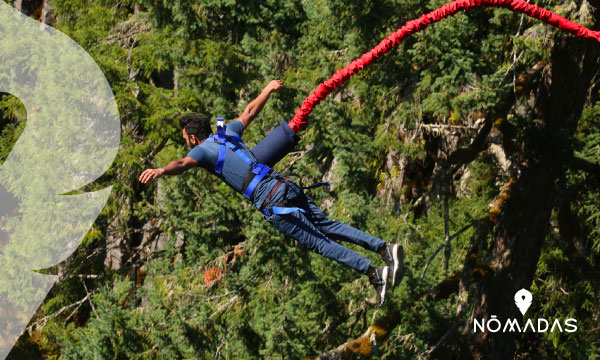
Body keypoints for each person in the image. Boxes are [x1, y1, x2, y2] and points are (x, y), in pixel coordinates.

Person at [138, 80, 403, 306]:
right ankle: (384, 248)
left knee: (320, 243)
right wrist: (267, 89)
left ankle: (374, 273)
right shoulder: (226, 132)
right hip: (284, 184)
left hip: (270, 199)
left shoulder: (201, 151)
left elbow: (182, 164)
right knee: (328, 225)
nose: (187, 145)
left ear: (193, 139)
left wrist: (161, 170)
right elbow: (250, 112)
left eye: (186, 140)